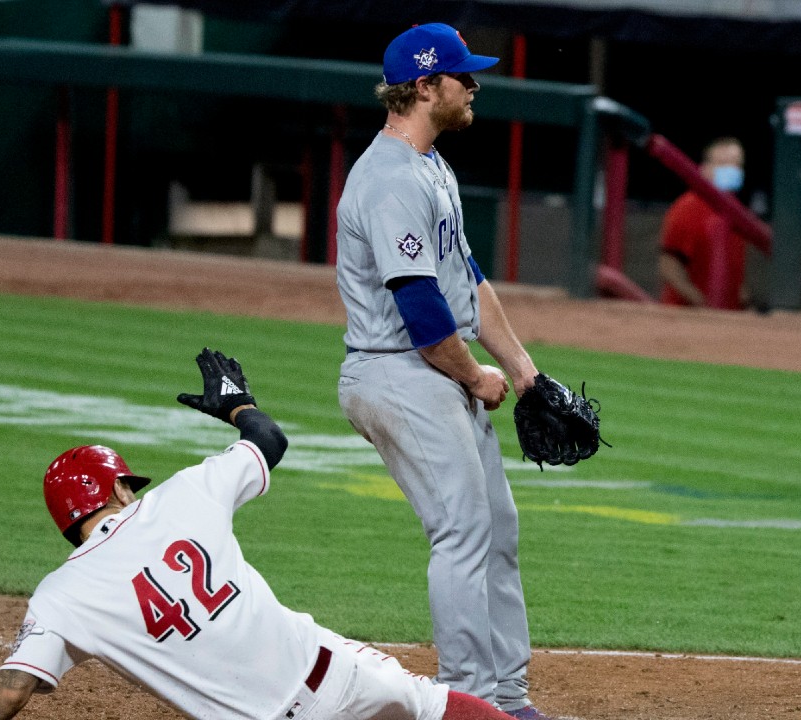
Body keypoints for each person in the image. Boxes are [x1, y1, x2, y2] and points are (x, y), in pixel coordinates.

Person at [0, 348, 516, 720]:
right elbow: (269, 440)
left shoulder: (61, 598)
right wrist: (238, 407)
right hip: (333, 677)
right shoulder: (180, 497)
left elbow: (13, 688)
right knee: (433, 707)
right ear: (118, 491)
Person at [334, 23, 555, 720]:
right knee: (461, 532)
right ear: (424, 87)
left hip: (428, 370)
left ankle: (507, 697)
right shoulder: (389, 179)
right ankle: (473, 703)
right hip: (399, 373)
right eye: (462, 76)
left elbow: (467, 280)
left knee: (496, 526)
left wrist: (521, 370)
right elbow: (424, 311)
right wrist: (475, 377)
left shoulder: (431, 166)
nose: (474, 85)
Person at [658, 137, 748, 308]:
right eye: (723, 164)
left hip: (727, 320)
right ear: (704, 169)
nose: (732, 170)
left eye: (737, 165)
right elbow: (668, 266)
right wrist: (700, 302)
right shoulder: (688, 207)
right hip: (686, 316)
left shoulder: (737, 211)